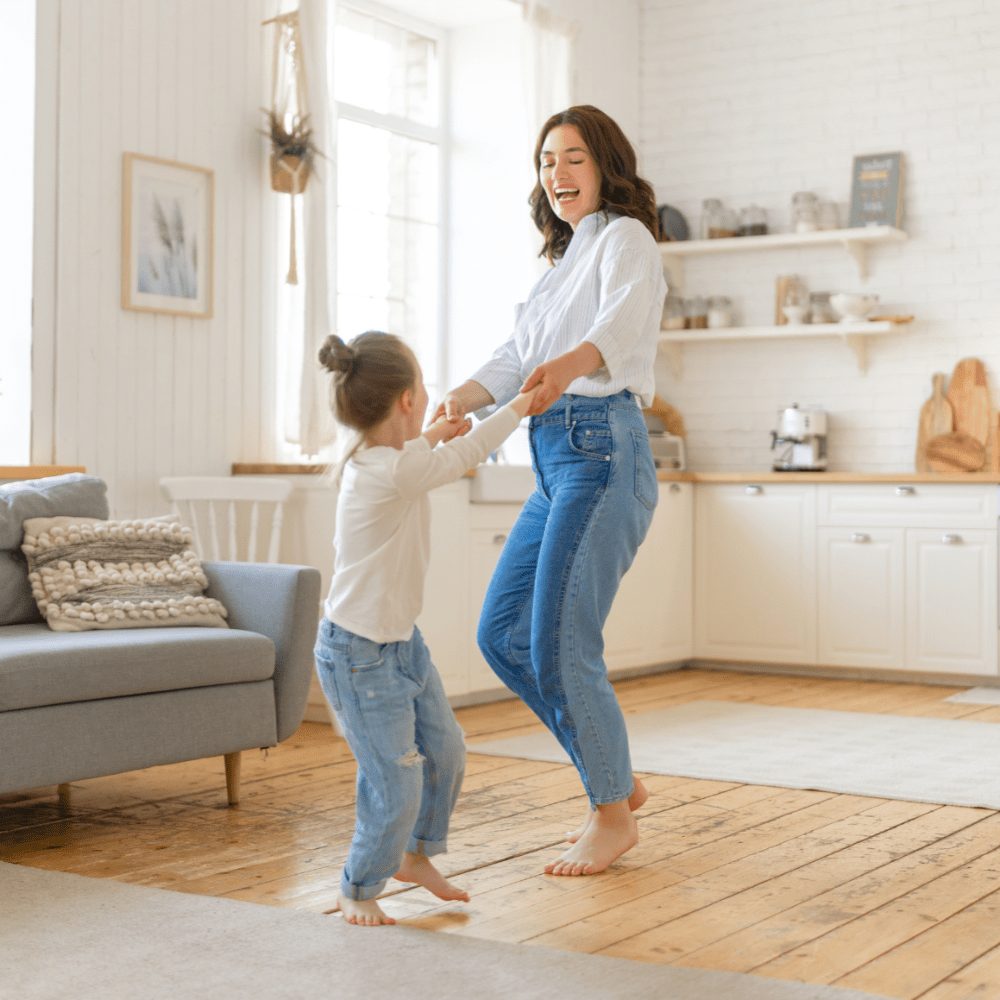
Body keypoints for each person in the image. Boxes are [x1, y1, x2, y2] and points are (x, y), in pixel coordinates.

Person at [432, 105, 667, 877]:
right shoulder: (561, 264)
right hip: (554, 459)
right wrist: (460, 399)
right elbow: (517, 354)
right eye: (544, 162)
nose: (556, 174)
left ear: (604, 164)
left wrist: (569, 366)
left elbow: (623, 326)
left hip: (602, 450)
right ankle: (615, 776)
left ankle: (609, 815)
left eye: (571, 158)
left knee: (563, 642)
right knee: (503, 634)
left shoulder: (627, 239)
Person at [314, 330, 540, 926]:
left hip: (399, 645)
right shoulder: (384, 472)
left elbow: (423, 457)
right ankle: (357, 886)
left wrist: (438, 432)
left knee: (446, 752)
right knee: (396, 781)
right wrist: (517, 404)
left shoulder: (386, 461)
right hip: (357, 654)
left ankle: (413, 857)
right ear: (409, 399)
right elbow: (456, 460)